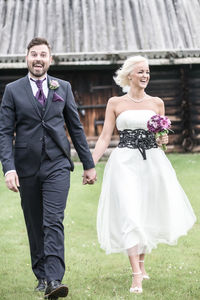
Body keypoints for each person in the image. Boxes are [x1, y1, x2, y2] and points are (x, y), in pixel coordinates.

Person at [0, 37, 96, 299]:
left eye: (43, 54)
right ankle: (41, 274)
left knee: (53, 220)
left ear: (50, 59)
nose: (38, 59)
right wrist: (9, 168)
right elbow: (5, 132)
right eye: (34, 54)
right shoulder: (13, 90)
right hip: (26, 167)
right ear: (27, 58)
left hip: (57, 164)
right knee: (34, 222)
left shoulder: (62, 87)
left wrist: (88, 164)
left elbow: (75, 127)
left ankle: (54, 279)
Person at [92, 56, 196, 294]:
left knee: (145, 212)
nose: (145, 75)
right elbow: (105, 137)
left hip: (152, 162)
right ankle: (136, 276)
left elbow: (162, 142)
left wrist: (163, 139)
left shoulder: (157, 103)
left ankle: (142, 263)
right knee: (130, 214)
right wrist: (91, 163)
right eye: (140, 71)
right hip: (124, 162)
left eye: (147, 72)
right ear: (130, 75)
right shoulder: (115, 103)